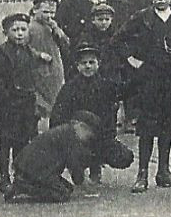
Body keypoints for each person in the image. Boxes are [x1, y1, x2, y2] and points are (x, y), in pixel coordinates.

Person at [119, 0, 171, 193]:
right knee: (147, 126)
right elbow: (119, 40)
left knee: (168, 124)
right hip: (148, 80)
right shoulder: (141, 18)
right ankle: (142, 173)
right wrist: (131, 59)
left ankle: (164, 171)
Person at [0, 12, 46, 195]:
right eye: (15, 30)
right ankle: (4, 177)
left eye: (23, 29)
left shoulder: (28, 51)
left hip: (26, 103)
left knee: (25, 139)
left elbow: (34, 71)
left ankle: (21, 175)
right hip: (8, 104)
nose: (19, 33)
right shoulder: (1, 53)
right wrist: (6, 99)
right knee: (7, 140)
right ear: (6, 32)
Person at [50, 46, 124, 184]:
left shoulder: (105, 86)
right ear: (77, 66)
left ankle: (96, 166)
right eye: (84, 63)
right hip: (76, 134)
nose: (88, 66)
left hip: (99, 132)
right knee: (76, 151)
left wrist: (109, 136)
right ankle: (76, 167)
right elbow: (58, 114)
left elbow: (110, 113)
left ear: (98, 64)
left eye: (92, 62)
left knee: (124, 156)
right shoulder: (69, 88)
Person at [4, 110, 104, 203]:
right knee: (62, 194)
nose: (86, 139)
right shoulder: (71, 138)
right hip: (36, 170)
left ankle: (24, 184)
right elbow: (74, 165)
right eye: (88, 135)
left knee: (67, 188)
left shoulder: (66, 131)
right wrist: (84, 183)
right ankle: (23, 188)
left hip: (30, 166)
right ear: (81, 126)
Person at [25, 0, 69, 117]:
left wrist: (57, 30)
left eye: (52, 13)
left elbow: (65, 43)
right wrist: (39, 55)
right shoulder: (30, 28)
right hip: (39, 71)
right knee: (42, 105)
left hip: (55, 71)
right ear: (35, 10)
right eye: (45, 12)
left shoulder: (52, 27)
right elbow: (23, 48)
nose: (49, 16)